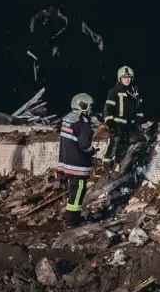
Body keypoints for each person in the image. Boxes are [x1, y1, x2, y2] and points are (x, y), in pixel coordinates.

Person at [59, 93, 96, 226]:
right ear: (83, 105)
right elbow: (85, 145)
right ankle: (73, 219)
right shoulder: (82, 122)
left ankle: (70, 214)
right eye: (89, 106)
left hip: (67, 163)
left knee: (73, 190)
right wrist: (93, 151)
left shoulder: (67, 120)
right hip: (78, 164)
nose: (91, 109)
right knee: (79, 190)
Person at [104, 65, 145, 171]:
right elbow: (108, 108)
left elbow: (139, 108)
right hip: (117, 125)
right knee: (115, 144)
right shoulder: (114, 91)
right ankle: (108, 168)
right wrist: (110, 124)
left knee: (131, 145)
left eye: (129, 77)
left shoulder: (134, 91)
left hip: (130, 125)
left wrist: (139, 119)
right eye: (124, 77)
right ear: (119, 78)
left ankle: (124, 166)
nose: (127, 79)